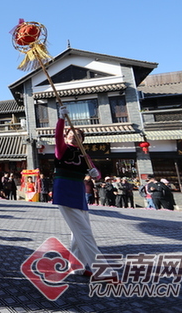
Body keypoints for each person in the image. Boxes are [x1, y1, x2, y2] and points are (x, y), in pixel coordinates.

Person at [53, 105, 109, 278]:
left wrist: (95, 173)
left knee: (78, 233)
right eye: (71, 135)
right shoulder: (62, 149)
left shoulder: (85, 155)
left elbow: (96, 174)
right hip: (65, 192)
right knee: (84, 232)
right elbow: (57, 138)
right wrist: (61, 119)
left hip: (79, 194)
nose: (75, 137)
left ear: (83, 139)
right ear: (67, 137)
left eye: (78, 135)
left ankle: (75, 265)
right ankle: (101, 270)